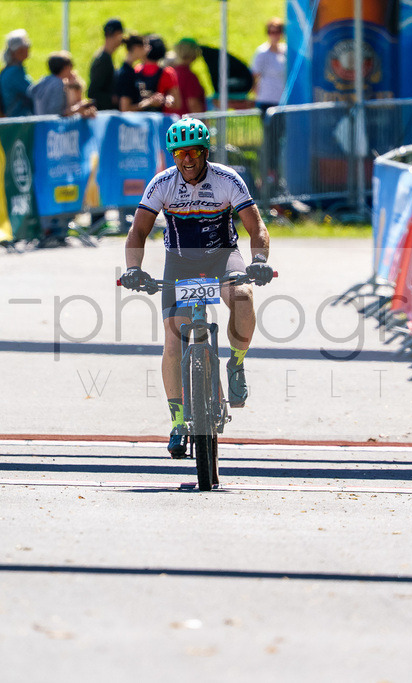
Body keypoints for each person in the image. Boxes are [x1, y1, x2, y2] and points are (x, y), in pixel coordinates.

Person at [120, 118, 274, 457]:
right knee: (174, 340)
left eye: (192, 152)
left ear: (205, 152)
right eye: (179, 153)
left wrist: (259, 260)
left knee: (244, 296)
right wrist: (133, 269)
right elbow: (138, 231)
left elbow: (255, 226)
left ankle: (235, 362)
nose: (186, 159)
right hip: (180, 261)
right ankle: (177, 422)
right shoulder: (163, 183)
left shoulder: (226, 180)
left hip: (222, 256)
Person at [119, 34, 181, 114]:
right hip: (158, 120)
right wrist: (166, 100)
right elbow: (176, 102)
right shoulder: (167, 72)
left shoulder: (136, 69)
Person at [30, 52, 96, 118]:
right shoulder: (58, 84)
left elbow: (30, 91)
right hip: (51, 125)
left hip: (40, 123)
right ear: (66, 67)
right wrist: (77, 109)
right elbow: (57, 112)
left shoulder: (45, 80)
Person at [87, 18, 124, 111]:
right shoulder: (103, 60)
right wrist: (112, 99)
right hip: (104, 113)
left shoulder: (106, 57)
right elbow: (92, 92)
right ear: (117, 34)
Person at [251, 17, 287, 114]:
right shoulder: (262, 52)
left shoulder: (286, 51)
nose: (274, 35)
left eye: (277, 32)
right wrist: (257, 93)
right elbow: (254, 76)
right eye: (271, 32)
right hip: (266, 100)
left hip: (283, 100)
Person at [0, 29, 34, 118]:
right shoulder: (14, 72)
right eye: (26, 46)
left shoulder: (9, 69)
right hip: (19, 119)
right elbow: (31, 91)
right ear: (17, 51)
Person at [171, 38, 206, 116]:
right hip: (188, 123)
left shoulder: (171, 72)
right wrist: (203, 123)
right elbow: (193, 103)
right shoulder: (189, 76)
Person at [115, 33, 147, 111]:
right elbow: (125, 108)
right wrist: (148, 102)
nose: (146, 52)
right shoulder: (127, 74)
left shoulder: (126, 70)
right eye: (144, 47)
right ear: (136, 48)